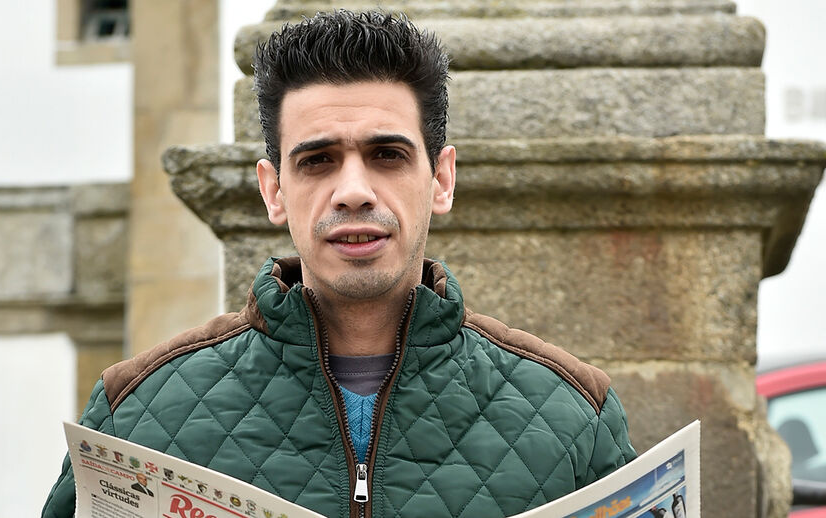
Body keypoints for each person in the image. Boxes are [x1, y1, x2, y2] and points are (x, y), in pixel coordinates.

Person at [42, 10, 636, 517]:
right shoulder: (135, 415)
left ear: (441, 179)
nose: (353, 191)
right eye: (318, 161)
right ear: (274, 190)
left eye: (387, 155)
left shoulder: (573, 417)